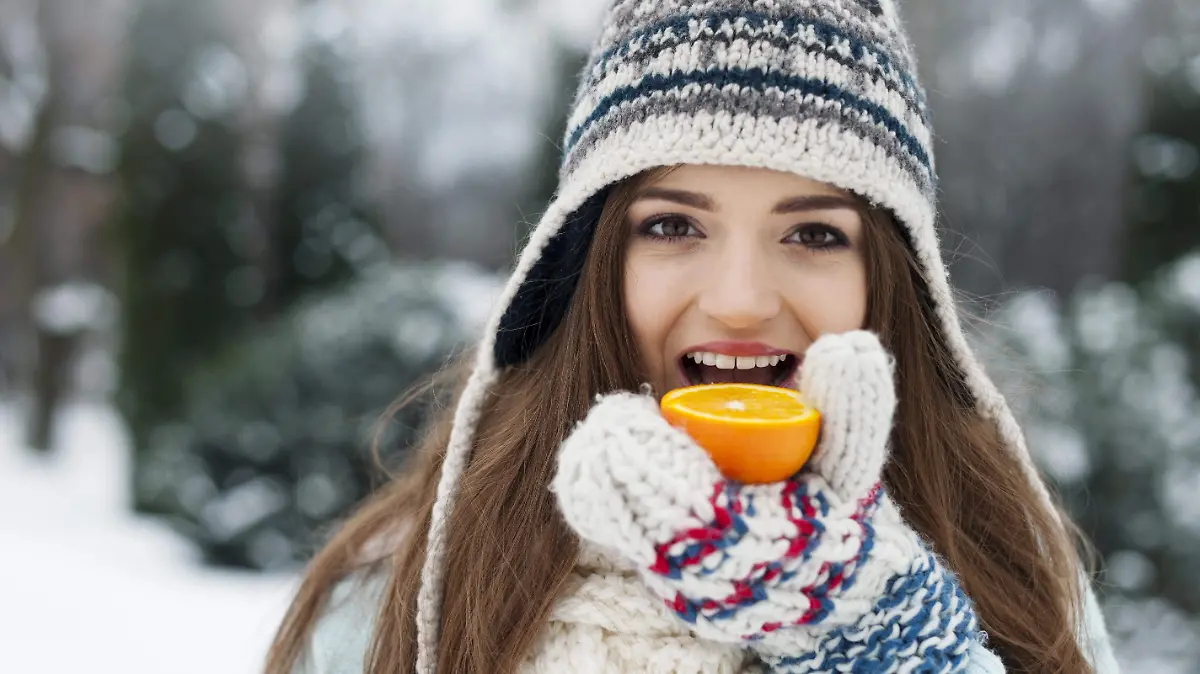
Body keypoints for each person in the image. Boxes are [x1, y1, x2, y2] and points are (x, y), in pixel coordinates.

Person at [265, 1, 1122, 672]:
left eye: (814, 233)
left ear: (893, 283)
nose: (741, 302)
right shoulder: (394, 604)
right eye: (673, 226)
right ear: (589, 261)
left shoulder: (1015, 585)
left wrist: (885, 634)